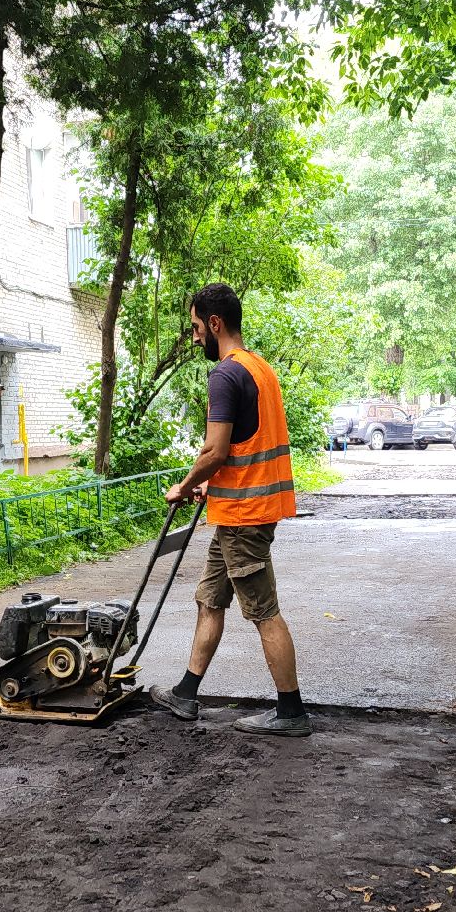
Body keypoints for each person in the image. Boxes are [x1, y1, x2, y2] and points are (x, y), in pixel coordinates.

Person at [148, 283, 309, 737]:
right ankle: (186, 694)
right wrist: (211, 488)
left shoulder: (224, 374)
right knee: (209, 599)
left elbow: (216, 451)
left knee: (263, 612)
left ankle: (291, 713)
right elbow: (243, 445)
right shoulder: (260, 369)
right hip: (240, 510)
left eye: (197, 327)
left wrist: (184, 485)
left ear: (214, 324)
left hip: (244, 518)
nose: (195, 336)